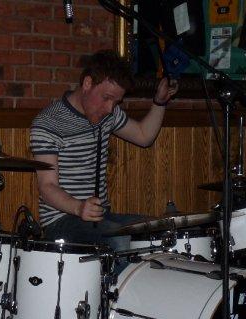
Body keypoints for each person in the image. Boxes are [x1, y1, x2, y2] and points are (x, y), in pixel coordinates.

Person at [30, 50, 178, 254]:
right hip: (61, 222)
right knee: (121, 241)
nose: (110, 108)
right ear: (87, 83)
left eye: (116, 102)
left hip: (101, 218)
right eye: (107, 98)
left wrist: (159, 102)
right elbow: (47, 187)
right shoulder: (49, 122)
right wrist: (79, 207)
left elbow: (144, 136)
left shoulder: (108, 115)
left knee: (158, 230)